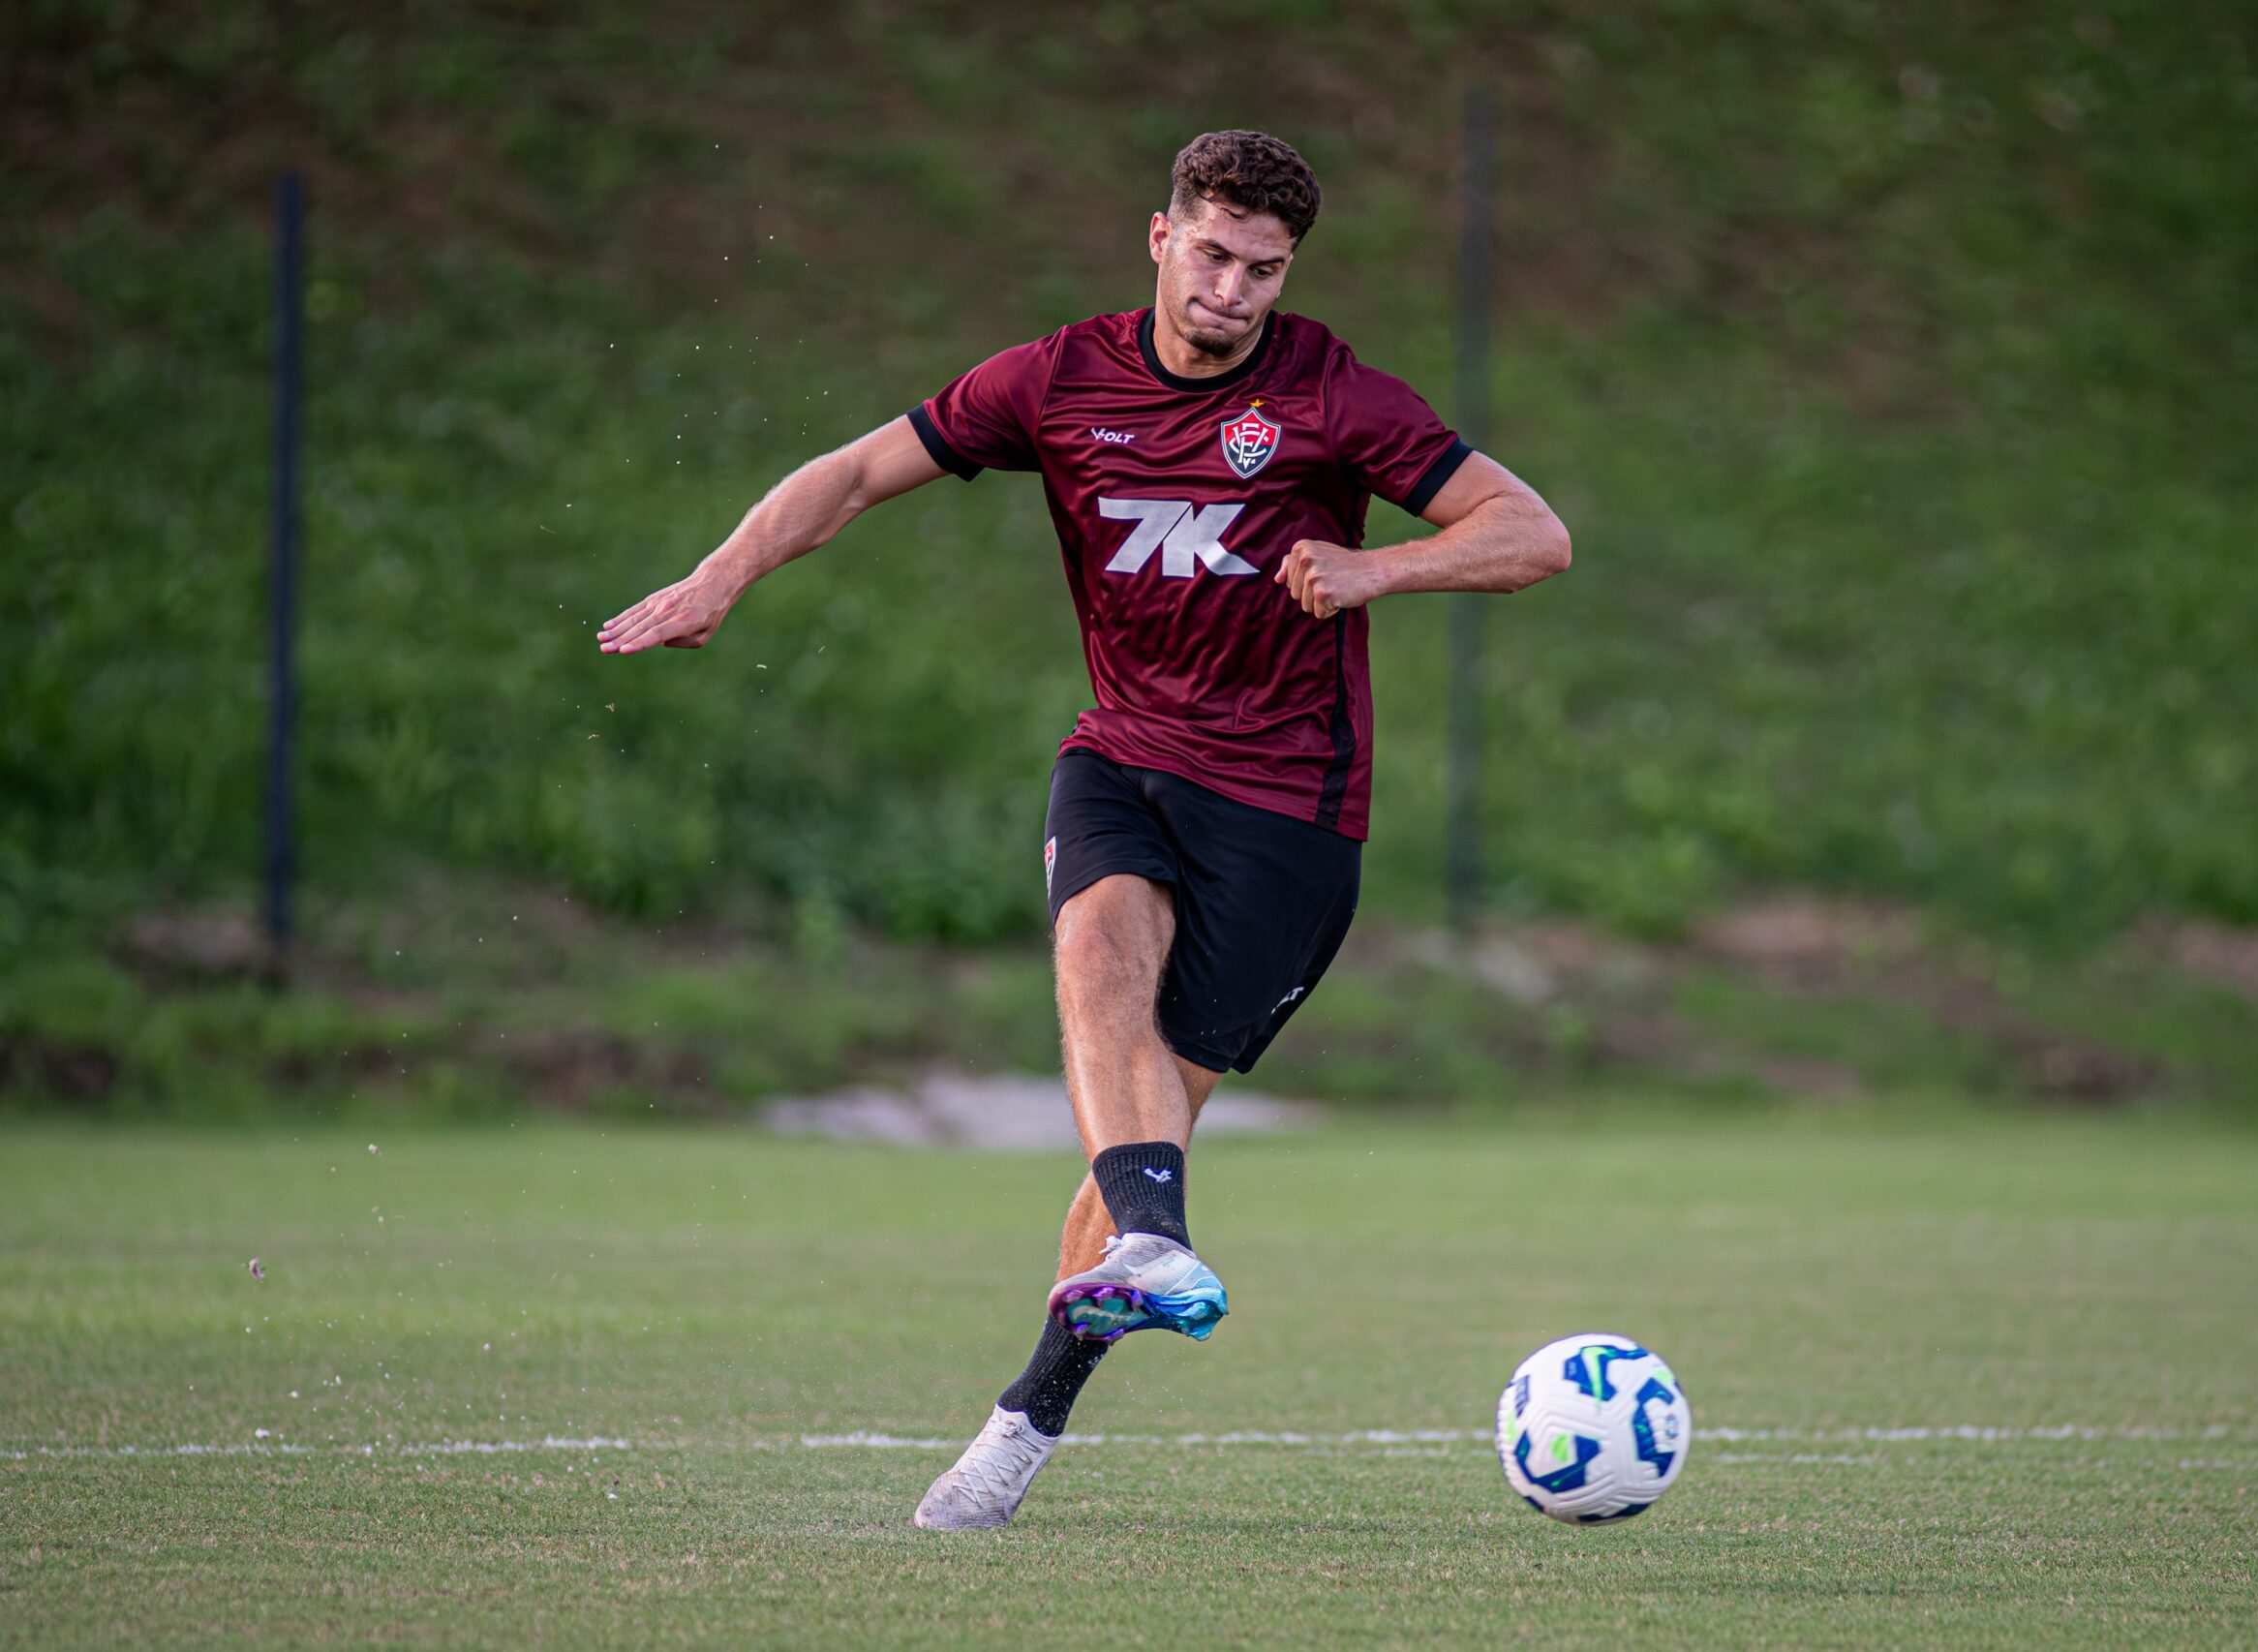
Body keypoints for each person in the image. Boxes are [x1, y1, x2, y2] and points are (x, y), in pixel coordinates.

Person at [598, 129, 1571, 1529]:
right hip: (1125, 757)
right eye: (1216, 255)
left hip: (1291, 814)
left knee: (1148, 1121)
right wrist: (722, 571)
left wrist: (1377, 565)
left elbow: (1533, 532)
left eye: (1266, 269)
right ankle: (1158, 1243)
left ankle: (1026, 1417)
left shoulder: (1333, 394)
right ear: (1161, 237)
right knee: (1096, 955)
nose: (1234, 291)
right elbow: (862, 472)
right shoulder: (1057, 380)